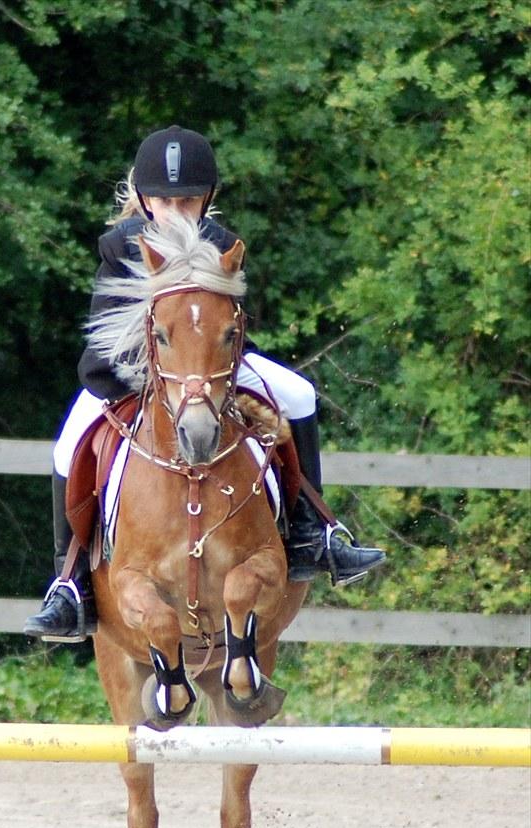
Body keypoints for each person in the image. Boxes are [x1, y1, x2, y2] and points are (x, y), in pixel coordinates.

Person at [24, 125, 385, 641]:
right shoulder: (120, 248)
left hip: (217, 373)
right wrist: (164, 377)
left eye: (189, 200)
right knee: (66, 446)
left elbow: (230, 327)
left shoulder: (221, 246)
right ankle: (70, 581)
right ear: (145, 200)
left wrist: (210, 370)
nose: (177, 210)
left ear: (207, 199)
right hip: (128, 380)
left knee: (300, 394)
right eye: (165, 201)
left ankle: (314, 531)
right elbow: (104, 347)